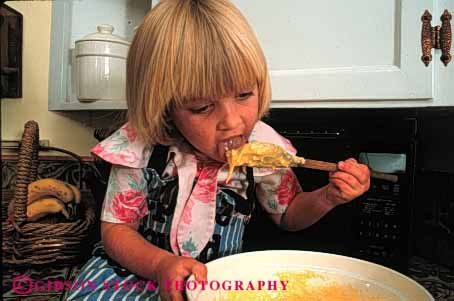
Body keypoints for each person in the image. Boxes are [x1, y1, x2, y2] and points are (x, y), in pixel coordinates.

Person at [66, 0, 370, 300]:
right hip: (134, 276)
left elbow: (289, 213)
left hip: (220, 281)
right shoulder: (142, 145)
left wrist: (328, 197)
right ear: (165, 106)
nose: (233, 121)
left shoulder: (263, 145)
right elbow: (116, 231)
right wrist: (160, 265)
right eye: (202, 106)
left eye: (244, 94)